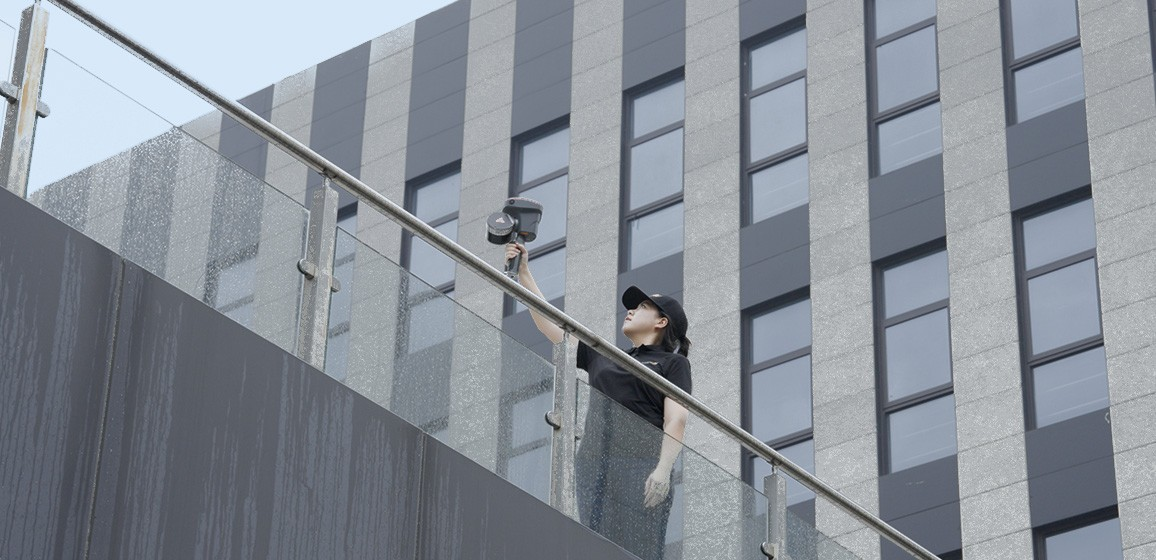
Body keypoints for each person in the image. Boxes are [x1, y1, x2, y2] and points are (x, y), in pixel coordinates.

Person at [505, 242, 692, 560]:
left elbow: (677, 418)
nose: (630, 310)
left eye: (642, 307)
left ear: (662, 322)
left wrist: (663, 471)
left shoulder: (672, 363)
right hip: (594, 465)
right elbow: (553, 326)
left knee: (639, 551)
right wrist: (524, 274)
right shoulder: (604, 355)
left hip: (641, 467)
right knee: (595, 547)